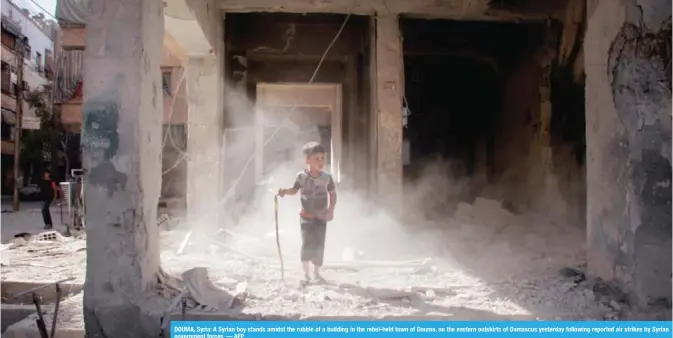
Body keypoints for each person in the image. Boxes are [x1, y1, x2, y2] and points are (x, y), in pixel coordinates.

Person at [278, 142, 337, 285]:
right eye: (316, 158)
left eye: (322, 158)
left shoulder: (327, 177)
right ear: (307, 160)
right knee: (307, 244)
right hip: (306, 217)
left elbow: (333, 194)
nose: (320, 162)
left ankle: (317, 273)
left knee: (319, 244)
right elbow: (294, 190)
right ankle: (306, 274)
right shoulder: (301, 177)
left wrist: (330, 210)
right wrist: (284, 192)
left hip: (321, 217)